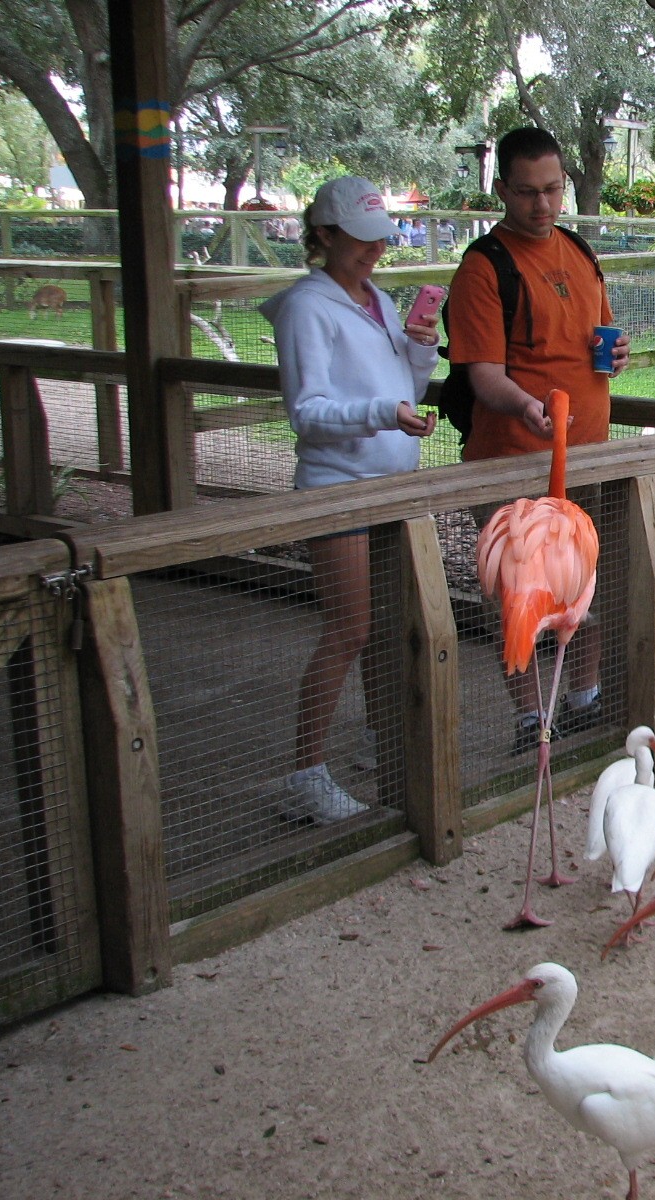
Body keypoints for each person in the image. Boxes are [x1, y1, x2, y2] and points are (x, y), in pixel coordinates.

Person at [259, 176, 440, 822]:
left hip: (390, 486)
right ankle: (304, 774)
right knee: (348, 630)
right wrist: (382, 412)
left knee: (385, 626)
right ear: (325, 235)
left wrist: (420, 350)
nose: (374, 251)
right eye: (361, 240)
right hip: (338, 489)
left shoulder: (378, 300)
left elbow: (407, 390)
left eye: (380, 239)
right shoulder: (307, 307)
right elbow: (307, 412)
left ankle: (376, 734)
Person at [444, 126, 630, 753]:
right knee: (517, 596)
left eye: (552, 189)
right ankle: (530, 720)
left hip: (588, 456)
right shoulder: (484, 267)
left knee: (588, 586)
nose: (543, 204)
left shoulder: (578, 250)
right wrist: (526, 406)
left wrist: (617, 354)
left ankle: (584, 699)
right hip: (514, 465)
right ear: (501, 190)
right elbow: (483, 375)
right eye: (527, 192)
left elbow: (600, 337)